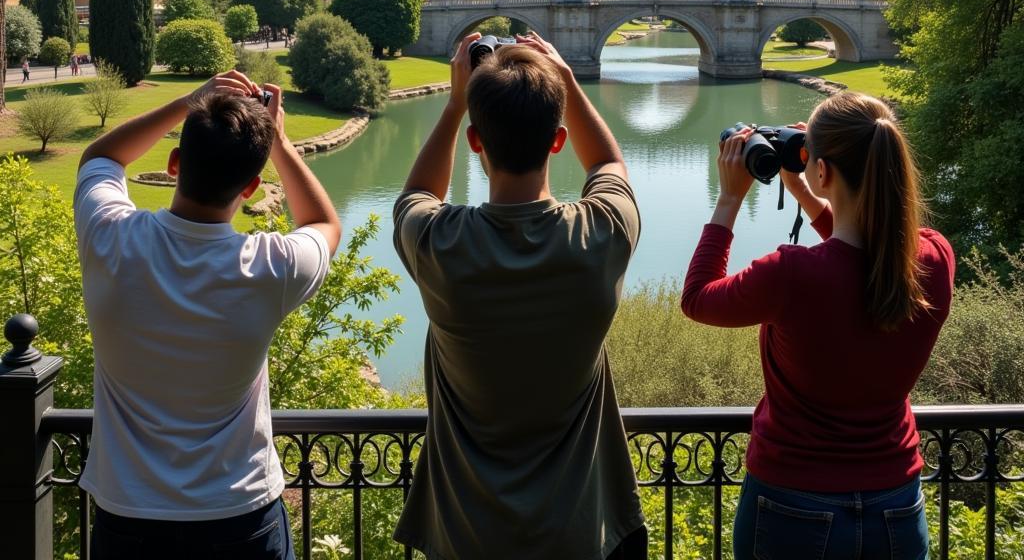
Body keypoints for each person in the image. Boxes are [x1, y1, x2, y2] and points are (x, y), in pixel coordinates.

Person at [392, 32, 647, 559]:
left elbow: (417, 197)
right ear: (557, 140)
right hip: (584, 533)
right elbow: (608, 166)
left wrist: (456, 103)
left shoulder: (441, 244)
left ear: (475, 142)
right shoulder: (599, 235)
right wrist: (567, 81)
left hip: (466, 536)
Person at [73, 70, 341, 559]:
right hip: (240, 516)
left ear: (175, 164)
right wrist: (277, 138)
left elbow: (101, 157)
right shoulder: (270, 267)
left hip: (129, 518)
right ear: (252, 185)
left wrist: (187, 103)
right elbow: (322, 222)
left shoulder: (110, 238)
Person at [681, 91, 954, 560]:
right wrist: (808, 194)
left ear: (823, 170)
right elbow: (870, 258)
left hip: (791, 503)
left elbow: (698, 299)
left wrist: (728, 199)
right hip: (897, 502)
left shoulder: (790, 274)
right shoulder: (934, 258)